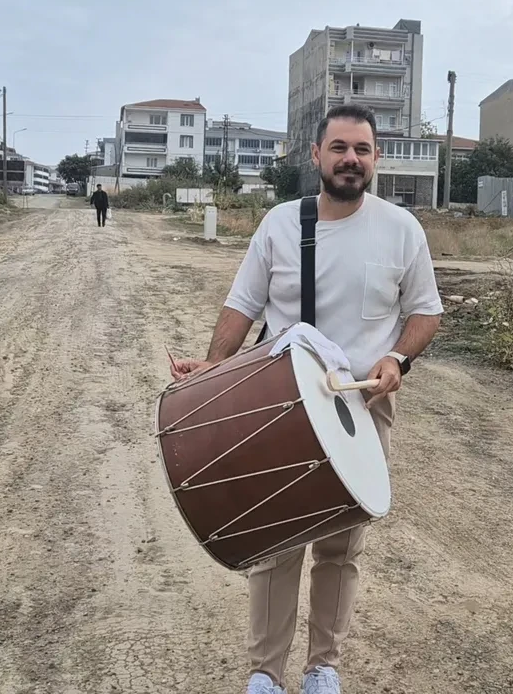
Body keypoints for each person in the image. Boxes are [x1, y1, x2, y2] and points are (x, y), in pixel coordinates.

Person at [170, 104, 443, 694]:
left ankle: (323, 668)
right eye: (339, 147)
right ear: (316, 155)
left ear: (376, 158)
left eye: (362, 149)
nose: (351, 159)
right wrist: (214, 367)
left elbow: (425, 312)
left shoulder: (402, 229)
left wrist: (397, 358)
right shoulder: (279, 224)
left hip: (362, 403)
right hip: (279, 400)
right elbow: (243, 304)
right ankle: (265, 674)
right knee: (275, 541)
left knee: (341, 547)